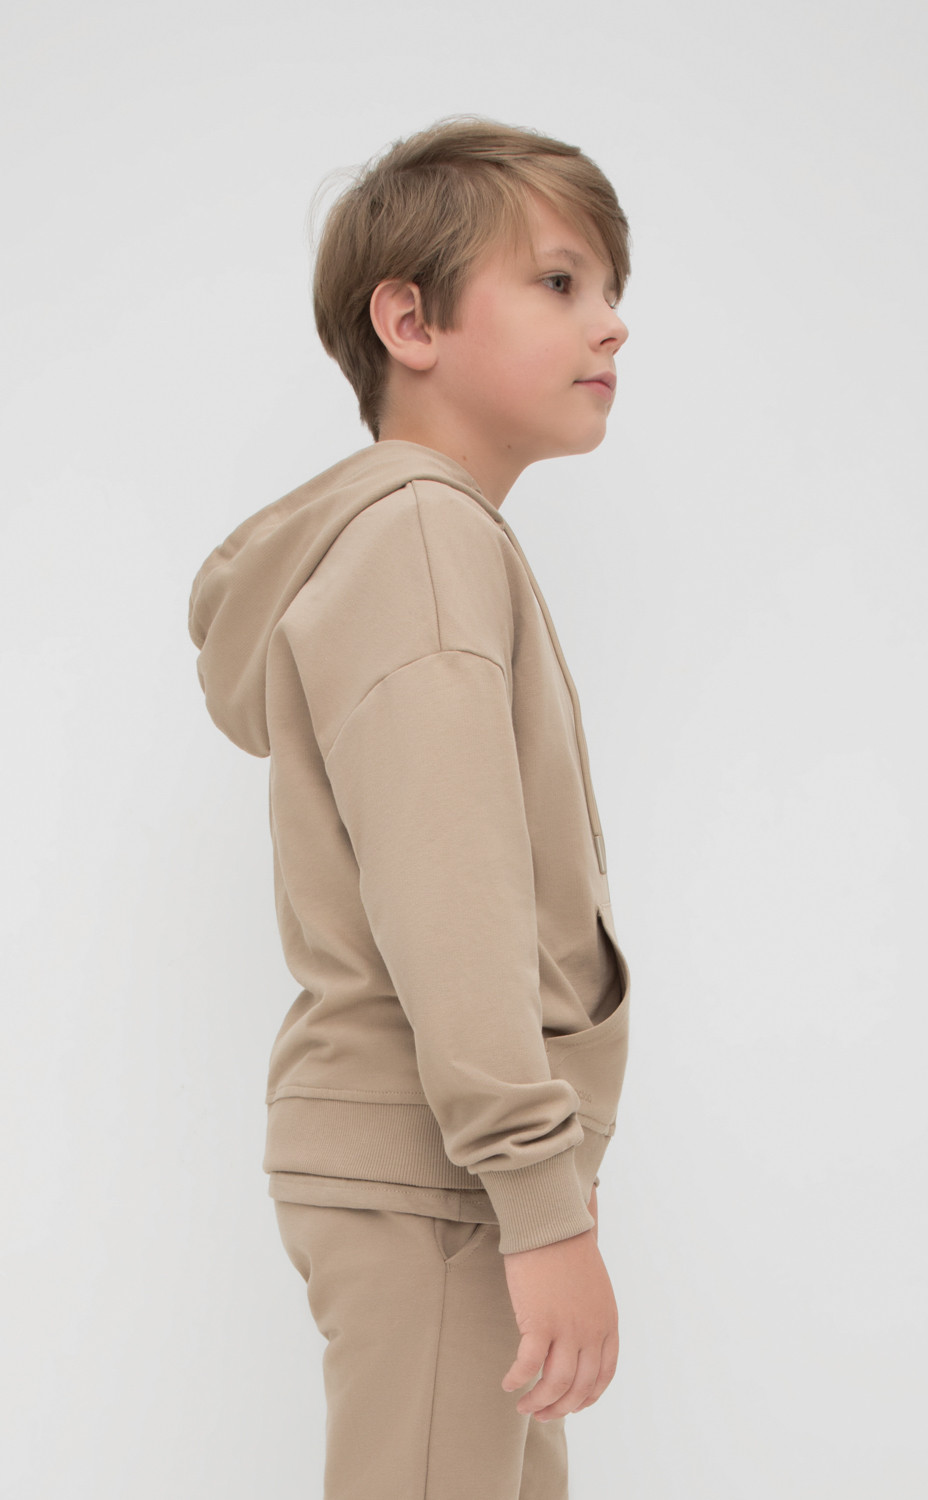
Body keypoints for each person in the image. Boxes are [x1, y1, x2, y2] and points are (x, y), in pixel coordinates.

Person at [187, 113, 633, 1500]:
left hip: (441, 1172)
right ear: (409, 321)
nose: (610, 323)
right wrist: (537, 1198)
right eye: (558, 282)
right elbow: (454, 899)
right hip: (441, 1175)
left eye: (611, 289)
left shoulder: (422, 541)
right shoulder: (425, 539)